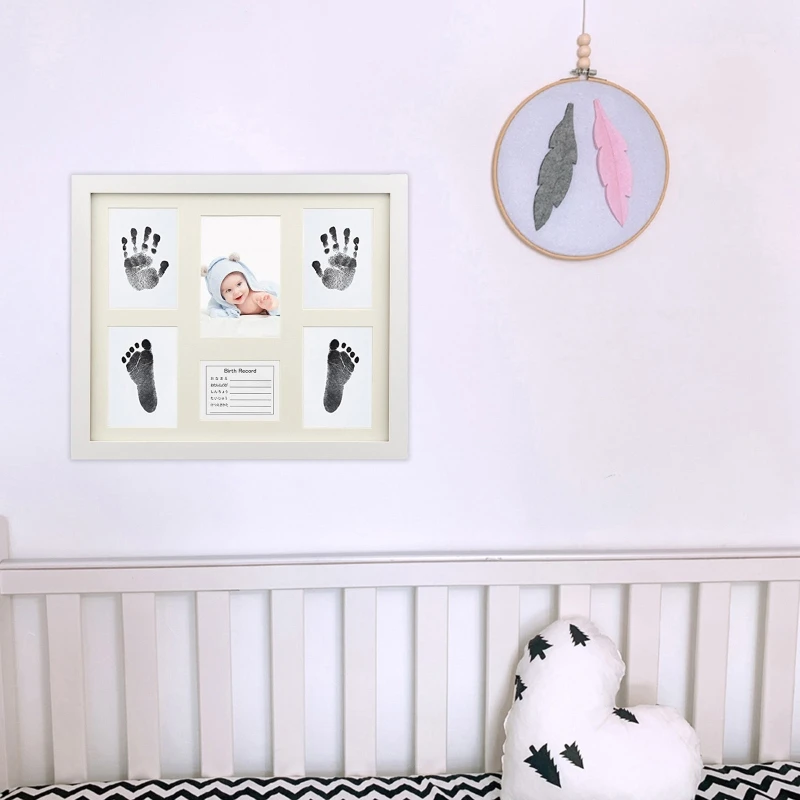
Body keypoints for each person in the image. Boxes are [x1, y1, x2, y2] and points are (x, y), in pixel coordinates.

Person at [202, 253, 280, 317]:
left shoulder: (255, 295)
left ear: (246, 280)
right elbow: (212, 309)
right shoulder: (221, 302)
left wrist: (270, 305)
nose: (236, 292)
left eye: (239, 284)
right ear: (220, 295)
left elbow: (276, 302)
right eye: (228, 290)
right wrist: (224, 313)